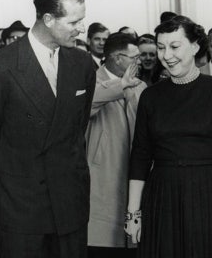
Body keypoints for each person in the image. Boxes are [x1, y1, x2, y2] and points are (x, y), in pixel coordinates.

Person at [0, 0, 95, 258]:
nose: (81, 28)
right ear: (48, 18)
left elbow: (76, 127)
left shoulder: (82, 64)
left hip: (70, 204)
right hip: (20, 209)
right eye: (74, 21)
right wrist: (15, 181)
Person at [125, 15, 212, 257]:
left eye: (174, 46)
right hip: (163, 196)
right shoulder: (150, 97)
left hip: (210, 193)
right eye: (161, 48)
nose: (166, 55)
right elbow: (139, 157)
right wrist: (133, 214)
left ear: (194, 47)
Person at [86, 33, 145, 258]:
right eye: (134, 57)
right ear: (117, 58)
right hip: (103, 178)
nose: (139, 62)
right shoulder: (91, 81)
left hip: (134, 175)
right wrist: (121, 85)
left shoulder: (140, 86)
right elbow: (88, 102)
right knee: (104, 244)